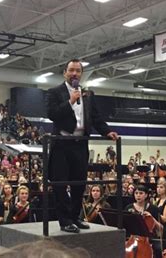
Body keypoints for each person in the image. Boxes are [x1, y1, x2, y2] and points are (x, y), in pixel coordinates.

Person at [46, 58, 118, 233]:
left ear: (81, 74)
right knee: (60, 184)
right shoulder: (54, 92)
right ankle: (64, 221)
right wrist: (70, 101)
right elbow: (52, 114)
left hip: (80, 144)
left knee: (79, 183)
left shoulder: (88, 94)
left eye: (78, 71)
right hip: (62, 144)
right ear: (65, 72)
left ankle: (75, 217)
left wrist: (107, 132)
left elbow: (95, 118)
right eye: (71, 70)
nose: (74, 74)